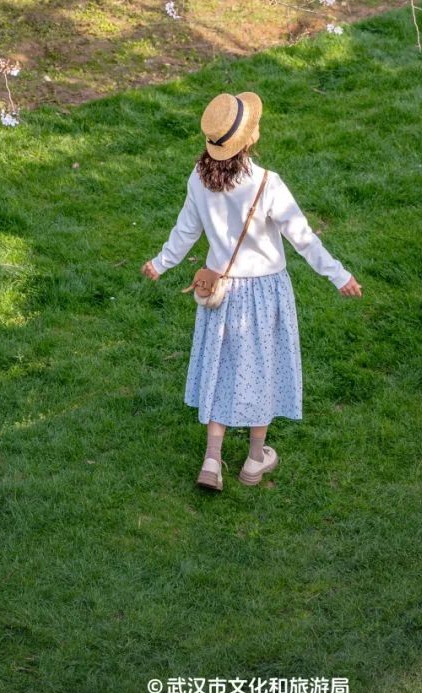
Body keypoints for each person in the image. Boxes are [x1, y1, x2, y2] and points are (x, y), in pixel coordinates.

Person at [141, 90, 362, 492]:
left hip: (220, 292)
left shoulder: (198, 179)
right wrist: (338, 275)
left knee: (221, 369)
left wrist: (161, 262)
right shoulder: (267, 184)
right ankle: (254, 460)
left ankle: (212, 460)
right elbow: (303, 238)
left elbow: (186, 231)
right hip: (264, 294)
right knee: (263, 371)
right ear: (250, 140)